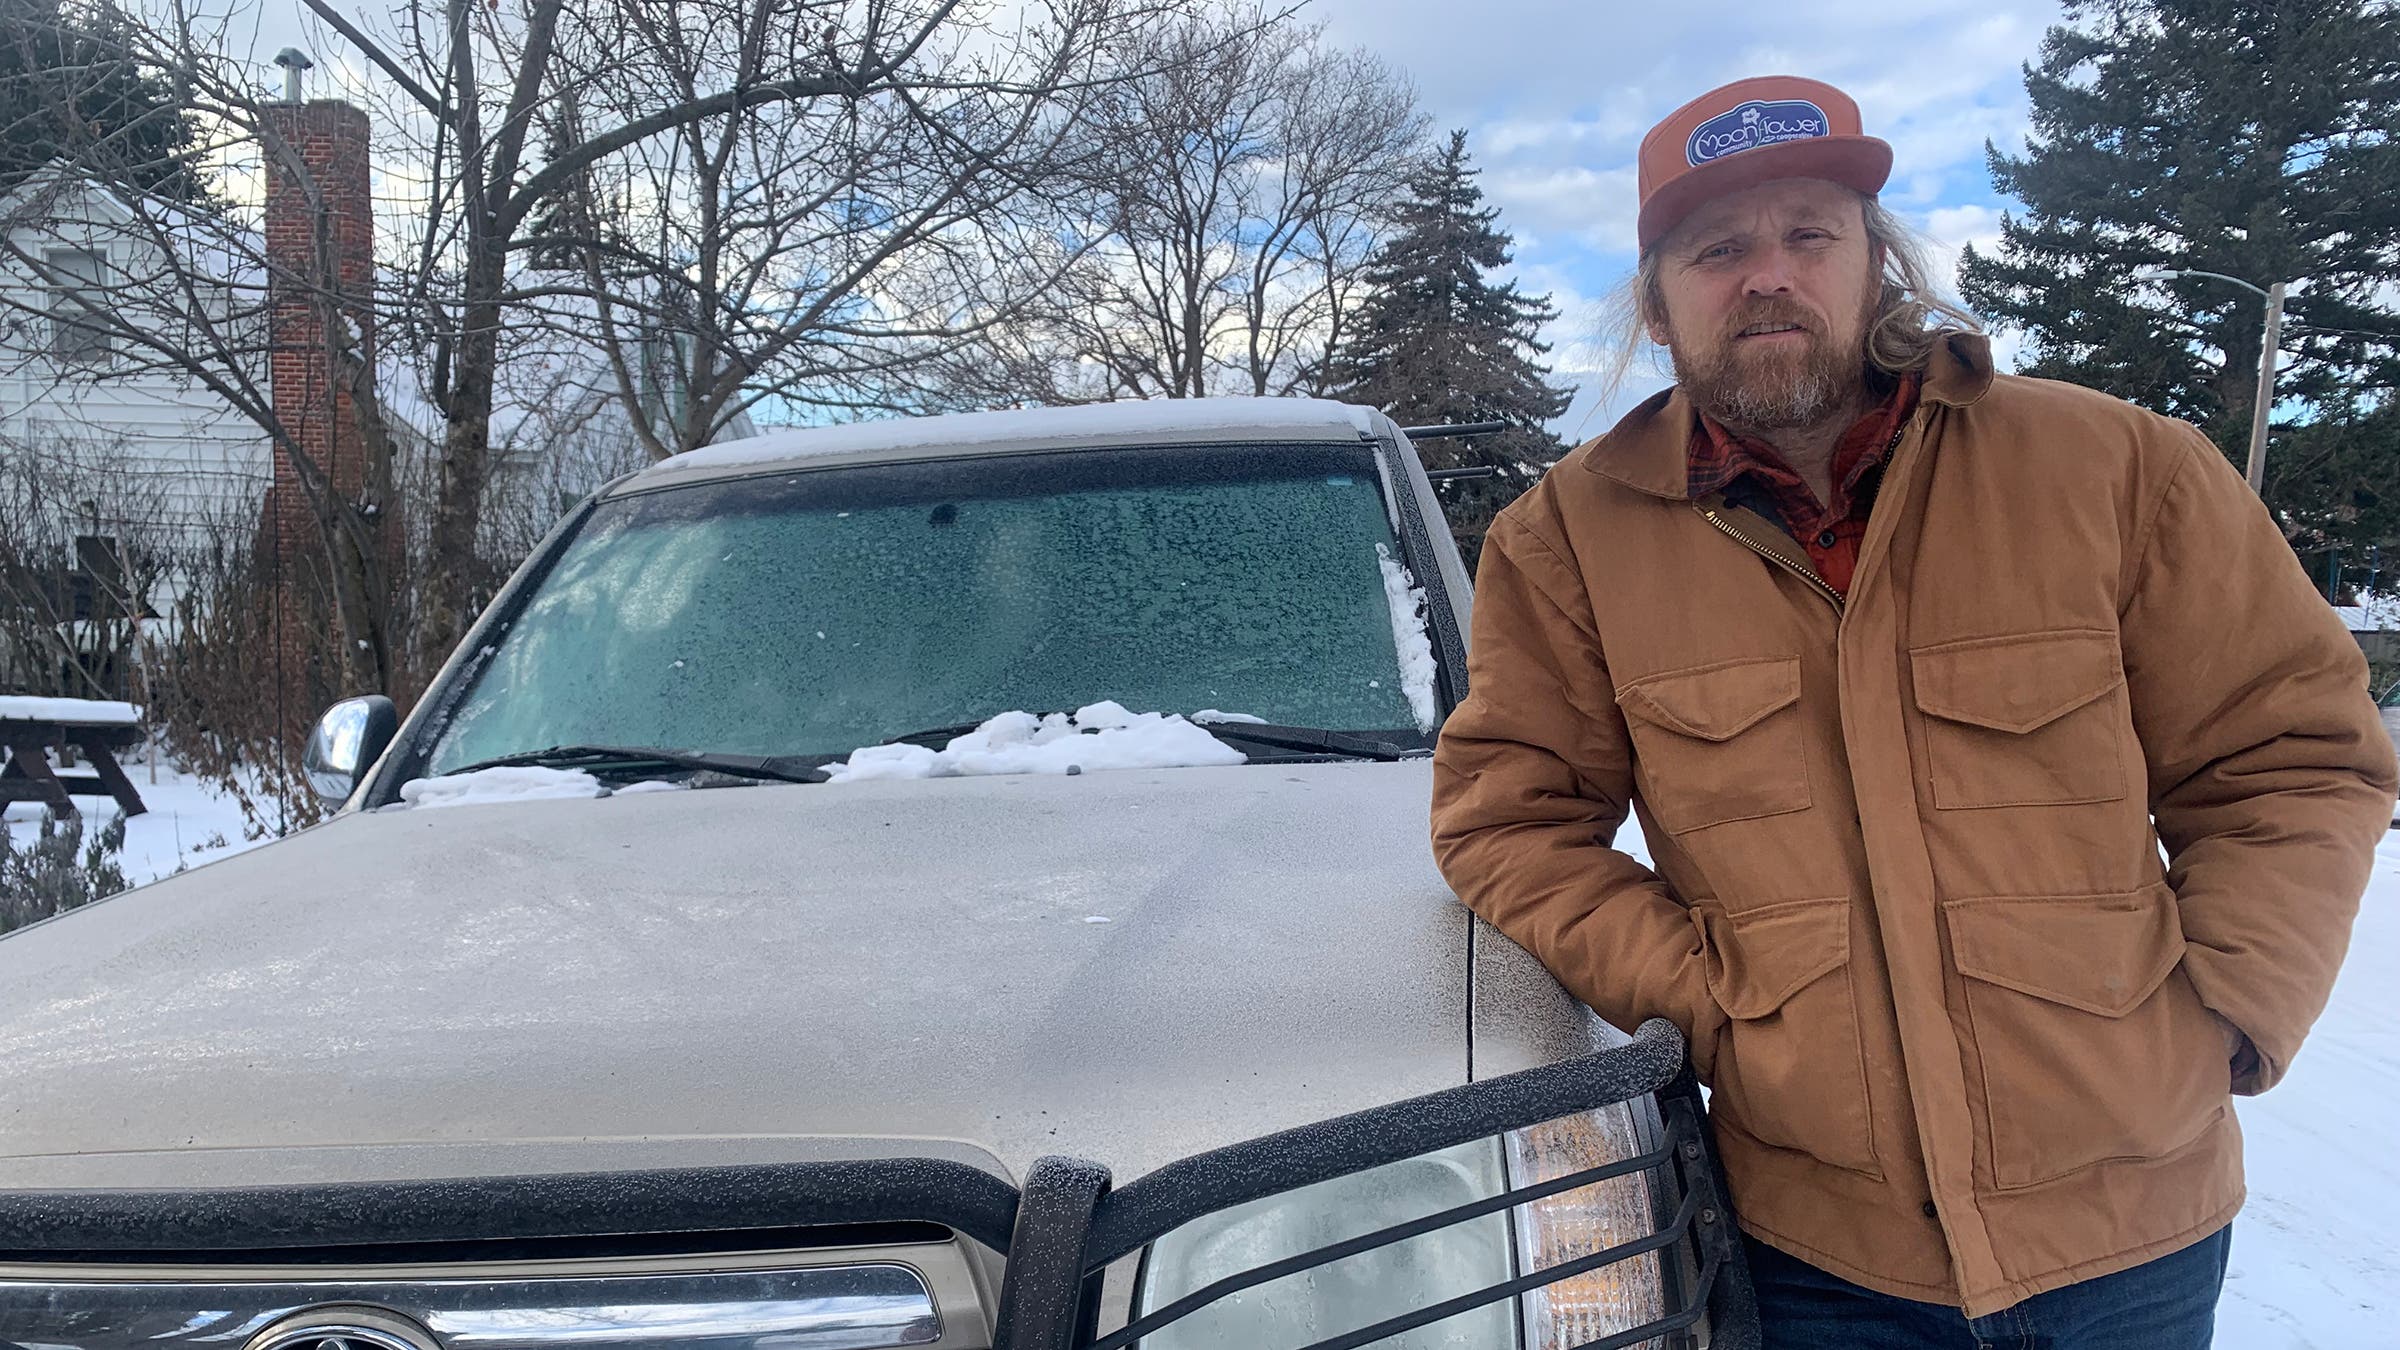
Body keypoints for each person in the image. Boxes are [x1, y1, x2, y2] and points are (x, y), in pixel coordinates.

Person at [1428, 74, 2398, 1348]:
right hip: (1819, 1255)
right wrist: (1712, 1002)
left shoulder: (2119, 471)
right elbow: (1507, 820)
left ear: (1875, 263)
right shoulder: (1566, 545)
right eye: (1718, 249)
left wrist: (2225, 1008)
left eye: (1810, 234)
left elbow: (2292, 755)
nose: (1770, 275)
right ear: (1657, 305)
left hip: (2136, 1233)